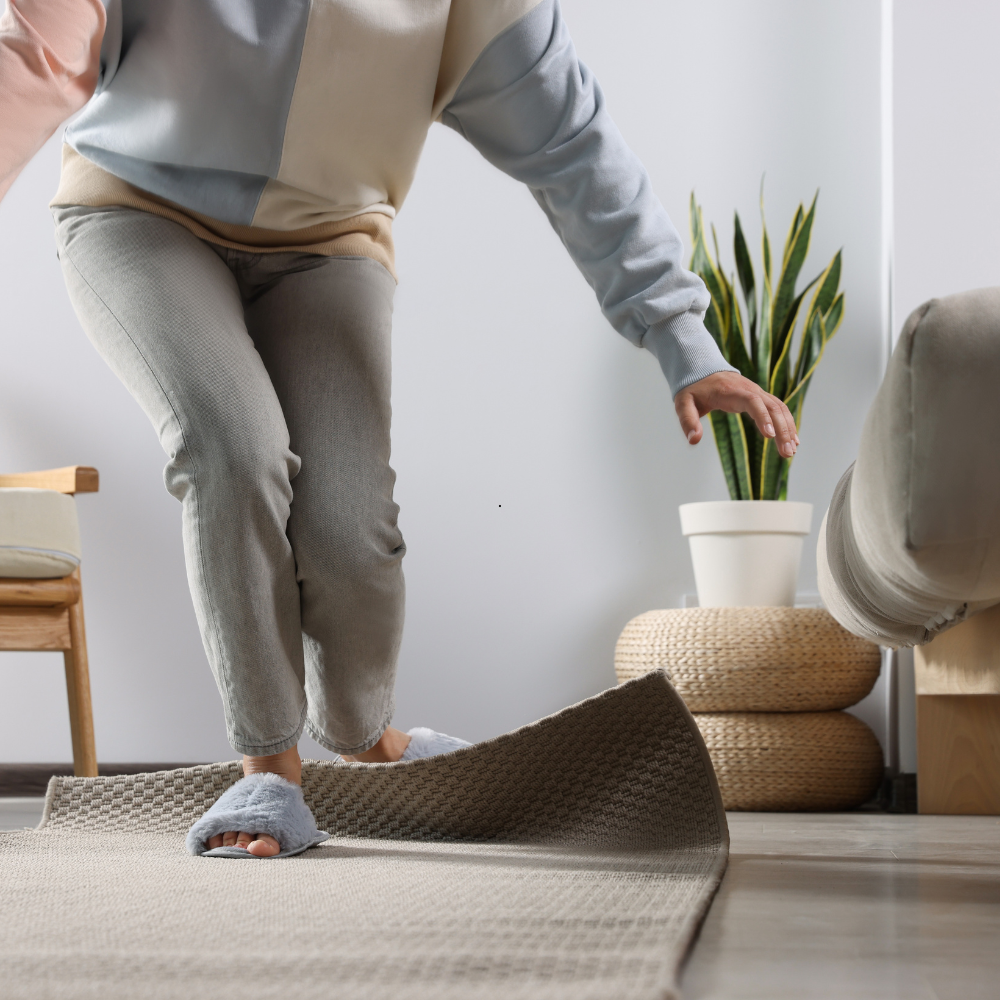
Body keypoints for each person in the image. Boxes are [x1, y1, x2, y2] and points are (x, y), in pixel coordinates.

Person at [0, 0, 798, 856]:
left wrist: (681, 336)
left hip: (328, 237)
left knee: (351, 528)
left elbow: (571, 143)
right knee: (233, 449)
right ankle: (268, 775)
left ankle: (366, 736)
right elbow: (34, 60)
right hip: (137, 209)